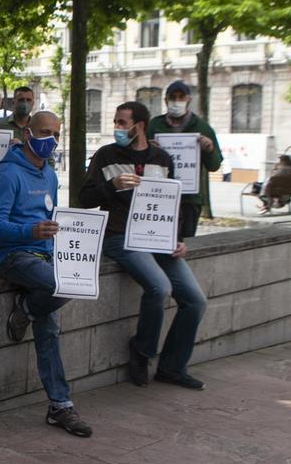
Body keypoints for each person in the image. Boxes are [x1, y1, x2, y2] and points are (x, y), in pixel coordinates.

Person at [80, 101, 209, 391]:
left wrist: (178, 240)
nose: (117, 128)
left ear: (139, 126)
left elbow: (172, 203)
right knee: (160, 288)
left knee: (196, 300)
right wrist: (112, 186)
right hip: (119, 237)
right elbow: (84, 198)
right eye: (115, 122)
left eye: (122, 123)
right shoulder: (106, 155)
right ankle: (142, 350)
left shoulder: (162, 159)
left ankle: (173, 367)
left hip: (158, 240)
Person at [0, 110, 93, 438]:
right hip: (14, 256)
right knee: (65, 286)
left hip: (44, 256)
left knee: (50, 331)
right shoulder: (6, 175)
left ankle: (60, 405)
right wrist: (32, 231)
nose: (52, 140)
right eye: (46, 132)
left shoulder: (49, 175)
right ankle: (28, 309)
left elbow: (54, 216)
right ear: (28, 133)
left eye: (57, 134)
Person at [148, 80, 223, 238]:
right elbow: (137, 157)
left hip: (189, 199)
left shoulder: (202, 128)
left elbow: (215, 165)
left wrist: (209, 149)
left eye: (181, 97)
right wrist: (147, 148)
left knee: (185, 243)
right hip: (158, 195)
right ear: (165, 100)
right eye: (172, 97)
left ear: (189, 99)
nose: (176, 101)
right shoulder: (154, 126)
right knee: (157, 239)